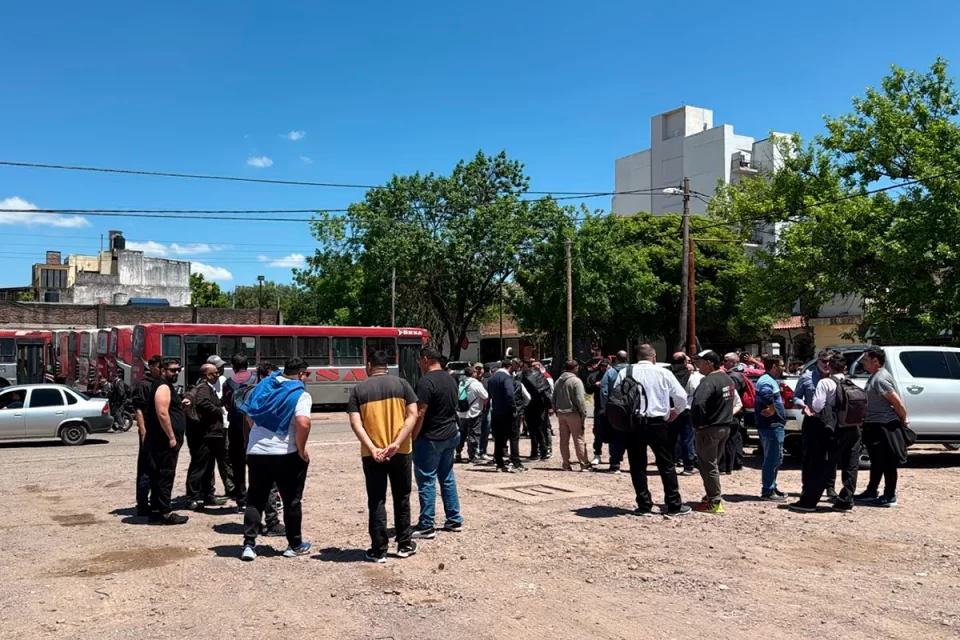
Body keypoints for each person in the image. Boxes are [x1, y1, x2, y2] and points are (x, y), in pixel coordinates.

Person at [347, 350, 420, 563]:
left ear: (369, 365)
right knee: (402, 497)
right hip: (401, 451)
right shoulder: (403, 385)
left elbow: (355, 423)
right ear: (387, 365)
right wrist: (397, 443)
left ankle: (378, 549)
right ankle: (404, 544)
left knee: (377, 499)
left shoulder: (358, 389)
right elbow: (413, 415)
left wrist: (371, 447)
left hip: (372, 454)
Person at [239, 357, 313, 561]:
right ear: (299, 374)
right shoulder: (300, 395)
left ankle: (249, 544)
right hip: (284, 454)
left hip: (256, 452)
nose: (307, 378)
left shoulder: (262, 387)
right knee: (291, 501)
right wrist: (301, 449)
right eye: (306, 374)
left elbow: (248, 416)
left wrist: (255, 439)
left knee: (255, 499)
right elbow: (303, 423)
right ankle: (294, 544)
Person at [615, 345, 692, 517]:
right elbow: (680, 397)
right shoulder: (663, 372)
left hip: (633, 423)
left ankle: (643, 505)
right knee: (666, 463)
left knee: (637, 465)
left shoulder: (625, 372)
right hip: (658, 423)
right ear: (654, 356)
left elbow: (616, 398)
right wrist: (675, 412)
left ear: (637, 356)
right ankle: (673, 504)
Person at [789, 353, 858, 513]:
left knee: (822, 463)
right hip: (851, 427)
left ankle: (809, 502)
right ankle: (845, 501)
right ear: (845, 367)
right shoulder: (850, 381)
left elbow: (818, 406)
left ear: (831, 366)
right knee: (850, 465)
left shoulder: (825, 382)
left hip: (831, 427)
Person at [411, 347, 463, 539]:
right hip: (451, 433)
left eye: (419, 360)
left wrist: (413, 436)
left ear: (425, 359)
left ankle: (426, 524)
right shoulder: (451, 379)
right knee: (447, 477)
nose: (418, 364)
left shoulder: (425, 382)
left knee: (426, 480)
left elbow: (420, 413)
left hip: (431, 436)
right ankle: (454, 518)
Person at [856, 346, 909, 508]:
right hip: (874, 426)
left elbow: (897, 403)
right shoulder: (875, 376)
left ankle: (889, 495)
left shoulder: (880, 379)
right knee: (877, 461)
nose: (863, 362)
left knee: (887, 462)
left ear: (875, 361)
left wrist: (903, 420)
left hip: (884, 426)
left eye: (866, 359)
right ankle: (871, 491)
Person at [690, 350, 739, 514]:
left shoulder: (709, 381)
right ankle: (712, 495)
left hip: (709, 428)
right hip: (724, 427)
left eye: (699, 362)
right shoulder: (726, 378)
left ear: (709, 363)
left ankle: (714, 500)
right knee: (713, 464)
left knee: (707, 465)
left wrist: (698, 423)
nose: (697, 366)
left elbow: (698, 404)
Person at [144, 358, 189, 525]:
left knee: (158, 475)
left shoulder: (164, 386)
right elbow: (162, 413)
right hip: (163, 441)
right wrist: (171, 437)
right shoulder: (163, 386)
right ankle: (166, 512)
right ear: (163, 371)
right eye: (172, 370)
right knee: (165, 475)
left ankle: (156, 510)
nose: (176, 372)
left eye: (178, 369)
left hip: (160, 440)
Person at [793, 350, 839, 501]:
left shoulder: (837, 378)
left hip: (831, 421)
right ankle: (807, 486)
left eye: (829, 362)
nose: (826, 365)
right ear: (817, 361)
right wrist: (803, 405)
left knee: (831, 455)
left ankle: (830, 488)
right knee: (809, 455)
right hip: (812, 420)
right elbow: (796, 397)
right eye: (823, 361)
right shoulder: (807, 377)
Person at [185, 364, 231, 511]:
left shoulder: (207, 387)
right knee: (199, 466)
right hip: (205, 434)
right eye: (214, 373)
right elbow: (203, 403)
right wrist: (219, 410)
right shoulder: (204, 387)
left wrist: (223, 401)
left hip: (211, 434)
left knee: (208, 467)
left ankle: (208, 495)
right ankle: (192, 498)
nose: (217, 375)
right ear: (206, 375)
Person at [222, 353, 255, 513]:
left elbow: (228, 405)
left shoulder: (228, 383)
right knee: (255, 465)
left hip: (235, 427)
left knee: (238, 465)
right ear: (247, 364)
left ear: (232, 366)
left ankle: (241, 500)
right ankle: (255, 498)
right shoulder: (255, 379)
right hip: (252, 427)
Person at [132, 355, 162, 517]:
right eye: (158, 366)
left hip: (160, 432)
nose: (161, 370)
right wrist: (143, 432)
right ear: (151, 366)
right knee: (145, 468)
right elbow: (138, 410)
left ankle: (156, 500)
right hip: (148, 432)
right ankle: (142, 503)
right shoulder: (143, 385)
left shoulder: (160, 384)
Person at [755, 356, 787, 501]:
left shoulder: (767, 379)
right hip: (771, 426)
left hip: (773, 425)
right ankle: (767, 491)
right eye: (781, 365)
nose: (783, 368)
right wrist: (772, 409)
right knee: (771, 459)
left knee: (776, 458)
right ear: (774, 366)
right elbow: (766, 394)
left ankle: (772, 486)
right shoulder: (767, 381)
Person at [205, 355, 236, 499]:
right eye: (218, 367)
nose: (221, 369)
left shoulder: (224, 381)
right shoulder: (205, 384)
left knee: (226, 458)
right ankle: (208, 491)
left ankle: (231, 488)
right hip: (212, 427)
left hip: (226, 425)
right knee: (209, 460)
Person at [553, 360, 591, 471]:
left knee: (564, 440)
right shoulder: (576, 381)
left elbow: (553, 397)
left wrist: (556, 410)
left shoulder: (558, 381)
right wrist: (583, 413)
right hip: (573, 413)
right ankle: (584, 463)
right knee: (579, 439)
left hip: (561, 413)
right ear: (575, 368)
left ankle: (565, 464)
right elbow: (580, 400)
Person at [487, 358, 524, 473]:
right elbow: (509, 393)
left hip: (496, 411)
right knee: (514, 436)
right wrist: (514, 408)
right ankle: (516, 463)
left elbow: (490, 395)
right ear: (509, 367)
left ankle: (499, 463)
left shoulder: (491, 379)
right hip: (507, 411)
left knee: (498, 438)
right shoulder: (507, 378)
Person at [669, 352, 699, 476]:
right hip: (686, 410)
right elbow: (696, 393)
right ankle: (689, 466)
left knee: (670, 439)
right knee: (687, 438)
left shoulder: (668, 375)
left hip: (670, 410)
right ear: (685, 362)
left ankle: (669, 464)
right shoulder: (692, 377)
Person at [721, 353, 750, 472]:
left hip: (734, 410)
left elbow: (732, 395)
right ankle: (736, 462)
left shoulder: (733, 376)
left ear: (733, 362)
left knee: (732, 437)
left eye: (726, 360)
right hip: (735, 410)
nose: (724, 362)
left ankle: (732, 463)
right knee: (736, 436)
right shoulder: (735, 374)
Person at [520, 359, 553, 461]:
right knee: (540, 429)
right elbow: (547, 392)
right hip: (541, 406)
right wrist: (550, 406)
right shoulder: (539, 376)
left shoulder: (524, 377)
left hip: (530, 406)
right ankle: (544, 451)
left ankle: (535, 452)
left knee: (533, 430)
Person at [456, 365, 488, 463]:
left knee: (462, 434)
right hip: (474, 412)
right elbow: (485, 396)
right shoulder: (476, 384)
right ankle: (473, 456)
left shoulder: (462, 382)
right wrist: (484, 407)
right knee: (474, 434)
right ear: (473, 373)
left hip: (462, 413)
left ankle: (458, 453)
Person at [588, 358, 610, 466]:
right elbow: (587, 390)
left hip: (611, 409)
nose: (604, 368)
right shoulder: (595, 376)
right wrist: (595, 385)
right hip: (599, 408)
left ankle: (613, 457)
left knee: (613, 433)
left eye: (606, 366)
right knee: (598, 433)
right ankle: (597, 454)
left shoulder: (614, 375)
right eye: (602, 366)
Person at [475, 363, 492, 461]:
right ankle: (476, 452)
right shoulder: (472, 382)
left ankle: (483, 451)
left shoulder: (487, 382)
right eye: (477, 369)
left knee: (485, 432)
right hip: (476, 411)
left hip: (487, 410)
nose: (479, 371)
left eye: (480, 369)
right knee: (476, 433)